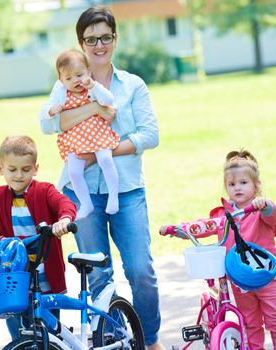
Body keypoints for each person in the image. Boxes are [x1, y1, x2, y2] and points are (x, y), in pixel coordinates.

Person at [39, 6, 164, 350]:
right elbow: (48, 124)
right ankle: (111, 340)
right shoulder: (65, 81)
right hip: (82, 195)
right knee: (97, 275)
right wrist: (93, 110)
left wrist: (101, 152)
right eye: (91, 39)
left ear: (114, 39)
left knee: (141, 272)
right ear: (81, 42)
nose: (98, 45)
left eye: (104, 37)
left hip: (126, 189)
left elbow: (149, 135)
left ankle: (149, 340)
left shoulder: (132, 85)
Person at [161, 149, 276, 350]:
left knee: (275, 320)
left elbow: (273, 214)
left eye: (243, 183)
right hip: (239, 278)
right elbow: (203, 226)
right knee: (250, 323)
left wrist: (264, 205)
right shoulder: (224, 216)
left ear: (256, 185)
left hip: (266, 277)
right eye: (231, 184)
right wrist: (178, 229)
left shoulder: (260, 211)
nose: (237, 188)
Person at [0, 135, 76, 341]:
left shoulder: (44, 191)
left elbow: (65, 204)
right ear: (1, 168)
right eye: (12, 169)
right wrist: (3, 243)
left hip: (46, 277)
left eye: (26, 169)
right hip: (12, 279)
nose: (19, 175)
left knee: (49, 336)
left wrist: (64, 220)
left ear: (35, 169)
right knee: (20, 336)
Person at [49, 48, 120, 219]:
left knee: (105, 159)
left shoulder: (92, 89)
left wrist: (94, 86)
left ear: (88, 72)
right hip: (76, 139)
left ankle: (113, 196)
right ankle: (86, 203)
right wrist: (51, 110)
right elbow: (45, 111)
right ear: (61, 80)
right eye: (69, 78)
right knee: (73, 172)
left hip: (97, 133)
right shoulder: (61, 94)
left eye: (79, 75)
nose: (76, 81)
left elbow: (108, 100)